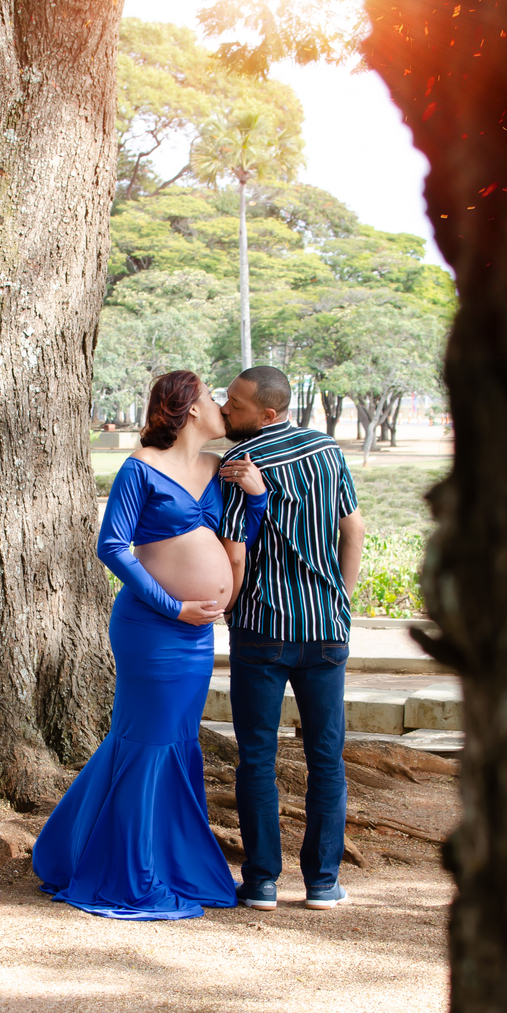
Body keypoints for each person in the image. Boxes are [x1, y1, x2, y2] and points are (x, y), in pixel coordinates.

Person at [33, 370, 268, 918]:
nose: (220, 408)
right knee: (148, 740)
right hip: (152, 629)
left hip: (196, 637)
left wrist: (254, 501)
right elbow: (112, 546)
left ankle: (152, 857)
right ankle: (133, 869)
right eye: (213, 398)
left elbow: (231, 540)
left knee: (172, 741)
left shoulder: (215, 469)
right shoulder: (140, 468)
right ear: (189, 410)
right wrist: (174, 607)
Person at [218, 365, 365, 910]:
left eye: (235, 404)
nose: (226, 410)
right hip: (326, 629)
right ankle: (323, 883)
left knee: (256, 757)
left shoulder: (242, 464)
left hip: (261, 628)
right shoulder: (327, 450)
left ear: (267, 414)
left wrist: (226, 606)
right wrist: (341, 602)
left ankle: (260, 882)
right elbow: (354, 529)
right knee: (327, 756)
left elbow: (236, 549)